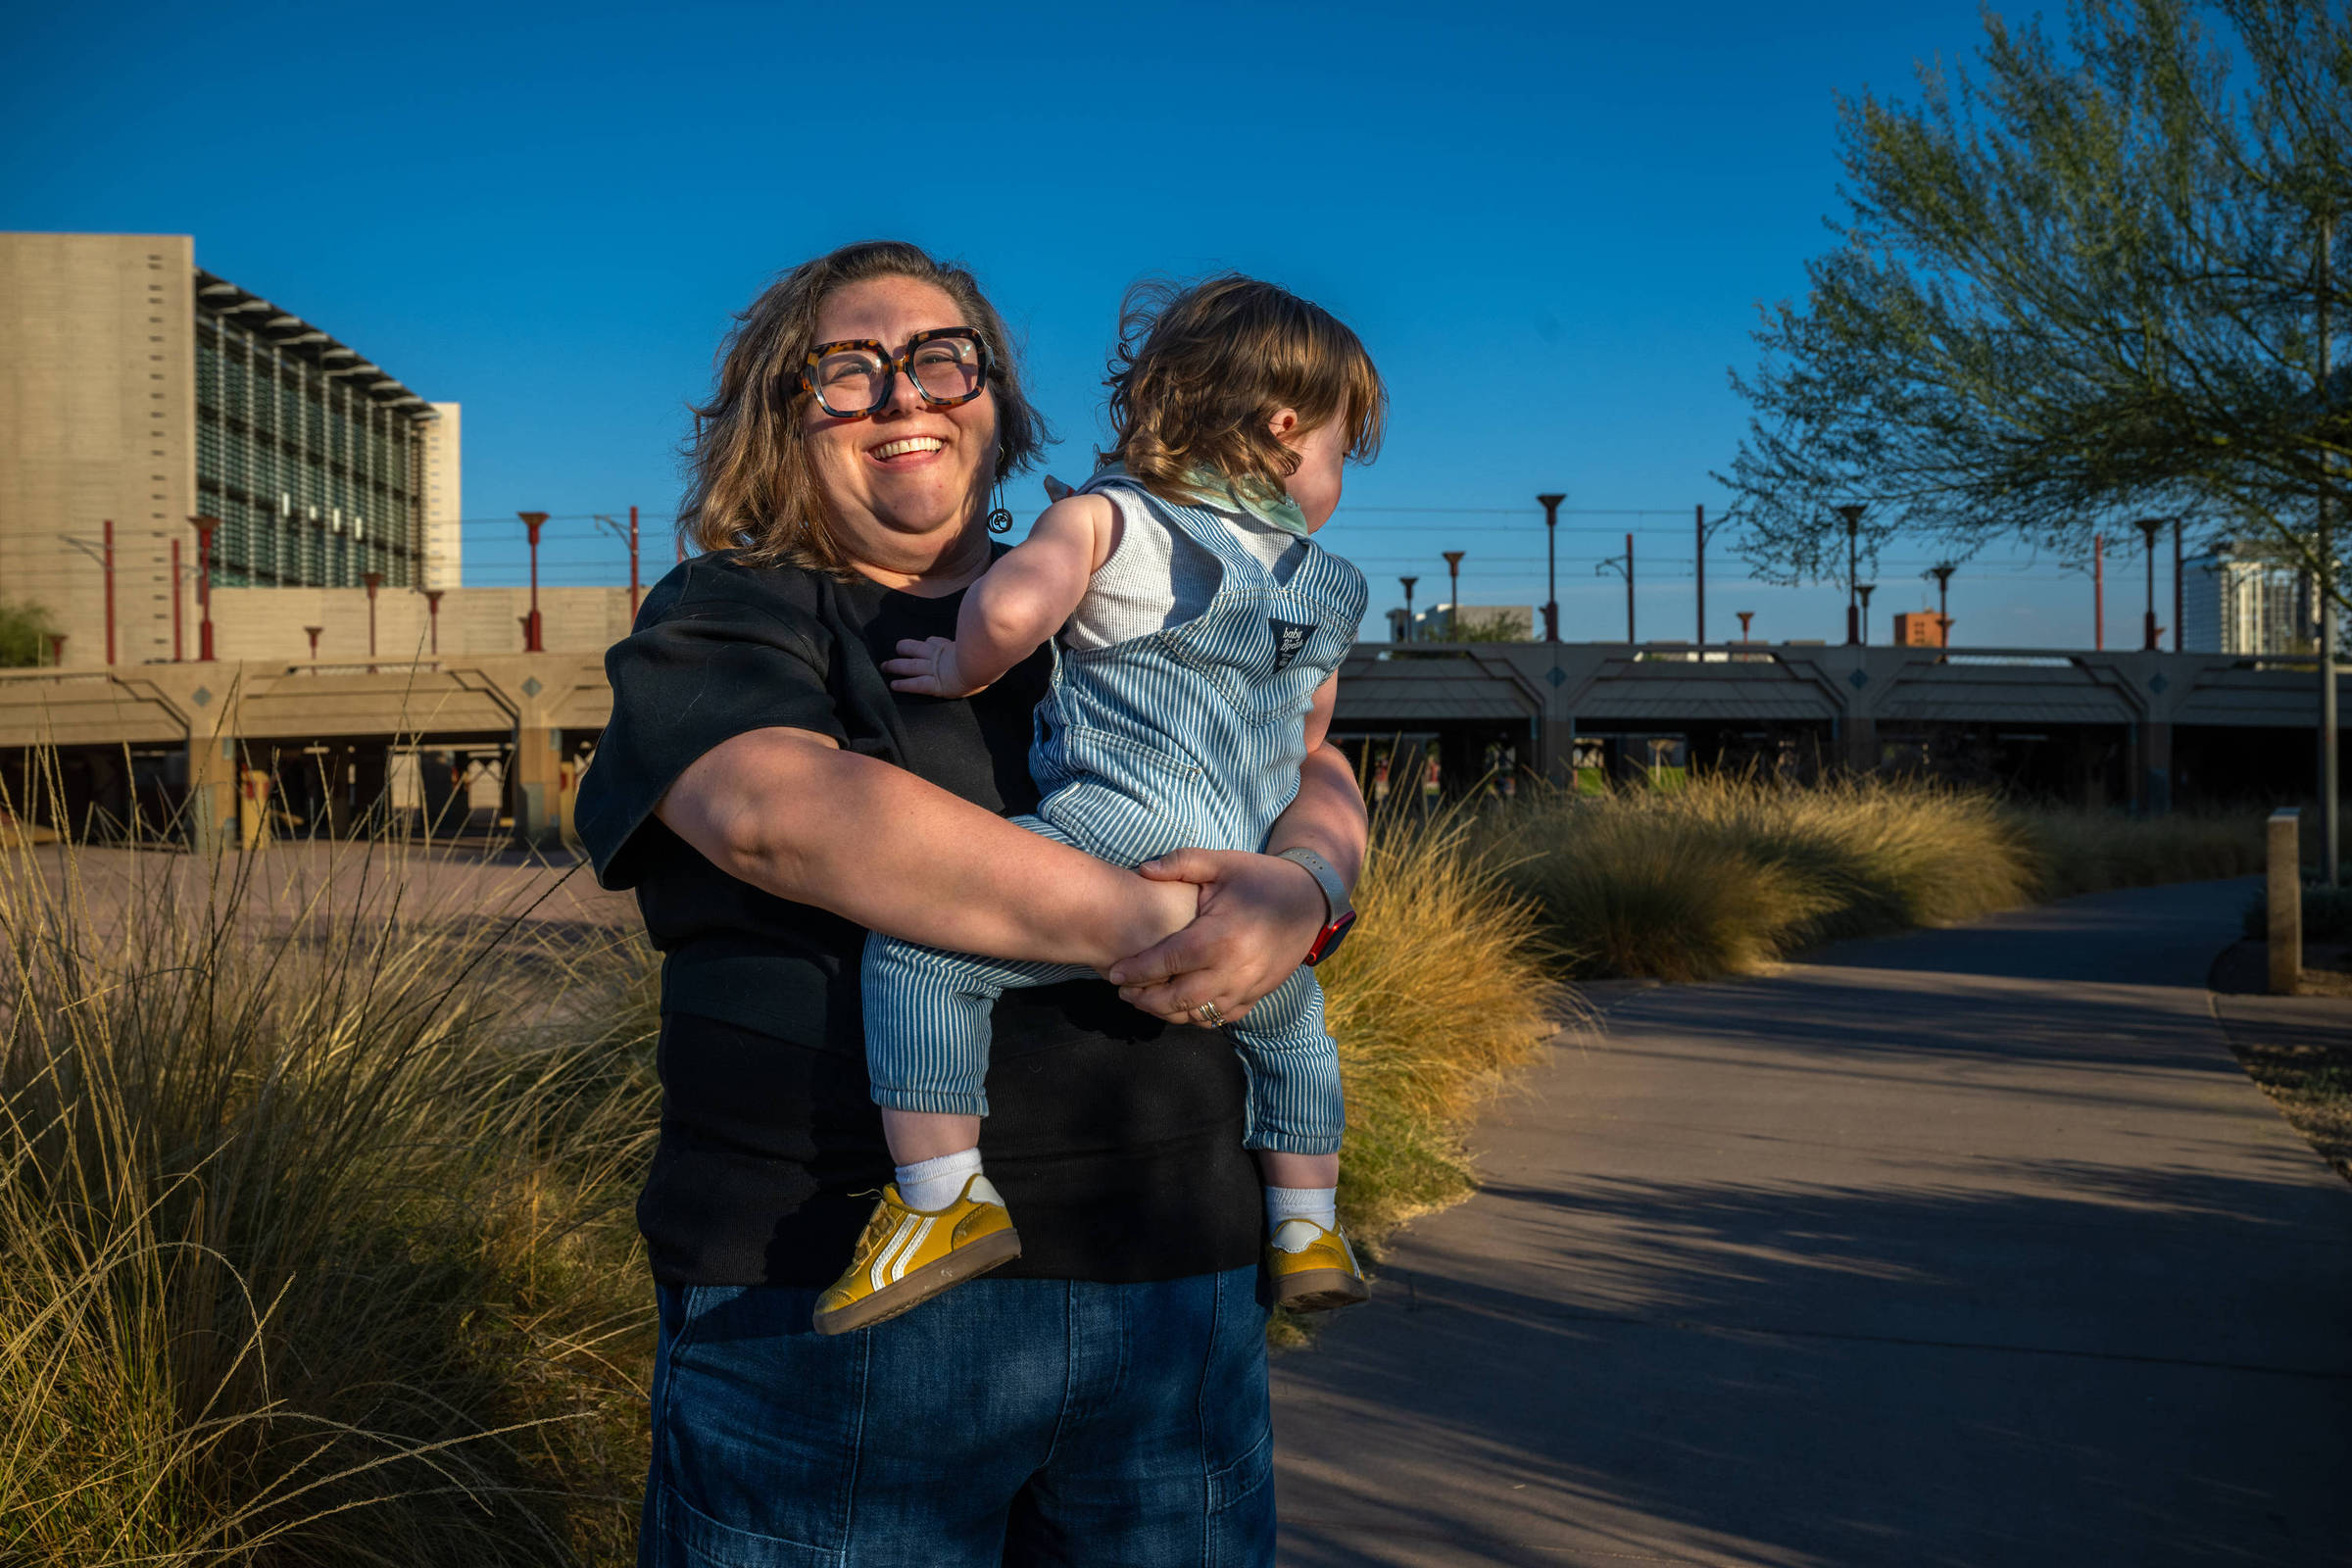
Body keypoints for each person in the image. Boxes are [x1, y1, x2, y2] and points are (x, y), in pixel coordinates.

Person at [573, 239, 1369, 1566]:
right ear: (782, 418)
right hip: (829, 1311)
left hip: (1173, 1288)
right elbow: (777, 812)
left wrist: (1304, 886)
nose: (905, 396)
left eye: (945, 360)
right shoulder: (730, 617)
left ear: (997, 400)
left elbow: (1316, 757)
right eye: (849, 372)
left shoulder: (1112, 589)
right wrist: (1180, 935)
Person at [815, 276, 1382, 1338]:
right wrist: (1286, 867)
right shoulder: (1331, 585)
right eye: (1342, 452)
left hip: (1119, 818)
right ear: (1285, 428)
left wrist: (962, 661)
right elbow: (1313, 736)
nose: (1338, 477)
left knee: (924, 952)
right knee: (1290, 1016)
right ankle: (1308, 1219)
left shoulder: (1107, 516)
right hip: (1239, 852)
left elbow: (1018, 606)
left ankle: (942, 1198)